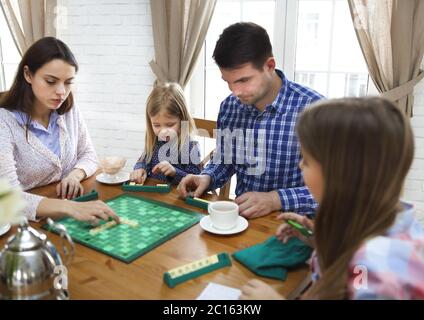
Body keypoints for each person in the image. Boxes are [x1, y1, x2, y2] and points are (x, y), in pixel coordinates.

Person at [240, 97, 424, 300]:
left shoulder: (373, 266)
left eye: (307, 160)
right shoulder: (377, 219)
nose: (301, 166)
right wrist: (316, 239)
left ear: (340, 175)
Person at [178, 22, 324, 218]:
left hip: (297, 229)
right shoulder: (229, 106)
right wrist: (208, 176)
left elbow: (338, 190)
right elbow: (226, 159)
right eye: (228, 82)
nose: (235, 92)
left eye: (243, 80)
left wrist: (275, 199)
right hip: (241, 222)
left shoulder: (315, 110)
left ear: (269, 66)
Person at [0, 37, 119, 224]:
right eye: (51, 81)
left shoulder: (69, 109)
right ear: (28, 75)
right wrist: (72, 208)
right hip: (21, 225)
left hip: (62, 216)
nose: (61, 92)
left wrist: (75, 175)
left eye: (68, 82)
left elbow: (89, 155)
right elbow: (7, 197)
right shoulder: (4, 121)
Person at [130, 83, 201, 185]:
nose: (163, 131)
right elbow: (143, 161)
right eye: (157, 125)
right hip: (153, 194)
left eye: (170, 124)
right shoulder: (154, 141)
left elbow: (195, 181)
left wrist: (174, 172)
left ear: (182, 119)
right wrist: (140, 169)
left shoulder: (190, 146)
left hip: (176, 198)